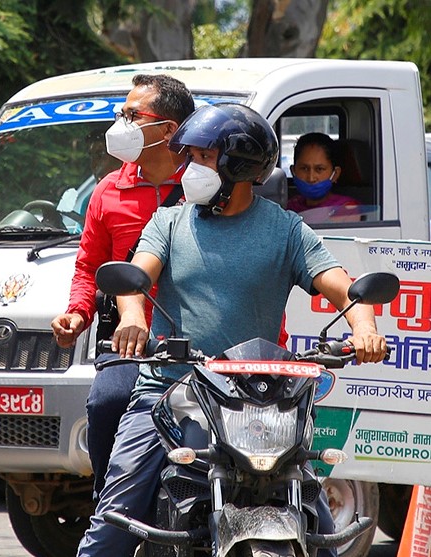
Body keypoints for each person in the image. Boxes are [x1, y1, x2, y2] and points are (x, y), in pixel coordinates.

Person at [76, 103, 387, 556]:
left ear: (236, 165)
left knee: (320, 534)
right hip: (169, 393)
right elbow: (135, 276)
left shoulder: (286, 230)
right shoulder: (169, 221)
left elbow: (343, 288)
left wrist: (365, 327)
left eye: (202, 158)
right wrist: (132, 317)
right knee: (113, 526)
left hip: (259, 401)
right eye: (192, 156)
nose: (190, 168)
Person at [50, 74, 195, 496]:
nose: (122, 124)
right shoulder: (107, 191)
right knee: (107, 403)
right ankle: (107, 504)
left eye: (133, 115)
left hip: (200, 342)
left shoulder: (205, 189)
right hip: (131, 345)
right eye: (121, 114)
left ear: (168, 129)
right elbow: (89, 266)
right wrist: (77, 314)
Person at [286, 132, 359, 218]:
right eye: (304, 168)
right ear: (293, 171)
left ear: (335, 174)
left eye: (319, 169)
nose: (311, 178)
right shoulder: (289, 207)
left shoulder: (346, 209)